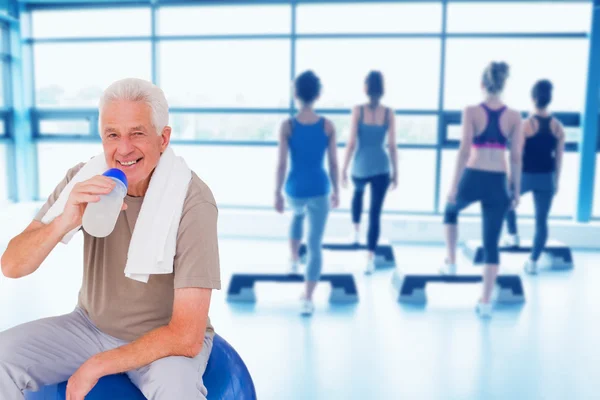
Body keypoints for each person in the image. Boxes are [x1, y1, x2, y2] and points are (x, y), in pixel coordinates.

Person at [0, 78, 221, 399]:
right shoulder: (85, 180)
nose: (124, 148)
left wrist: (97, 365)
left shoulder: (193, 200)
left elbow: (187, 335)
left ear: (164, 138)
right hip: (88, 327)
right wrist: (65, 220)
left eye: (138, 133)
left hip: (163, 340)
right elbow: (12, 266)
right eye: (112, 134)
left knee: (179, 391)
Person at [441, 61, 524, 318]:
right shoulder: (514, 116)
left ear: (482, 84)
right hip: (498, 181)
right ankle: (485, 302)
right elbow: (517, 157)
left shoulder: (471, 111)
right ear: (504, 84)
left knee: (450, 210)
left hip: (473, 176)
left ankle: (452, 261)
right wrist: (516, 191)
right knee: (491, 244)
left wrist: (454, 185)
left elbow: (465, 150)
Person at [274, 70, 340, 316]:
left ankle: (293, 258)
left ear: (296, 94)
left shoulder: (287, 126)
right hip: (320, 188)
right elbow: (334, 163)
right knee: (314, 243)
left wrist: (277, 193)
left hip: (295, 188)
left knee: (297, 216)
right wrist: (335, 190)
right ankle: (308, 297)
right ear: (318, 94)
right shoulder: (328, 126)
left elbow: (281, 163)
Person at [503, 79, 565, 274]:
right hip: (547, 178)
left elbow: (517, 156)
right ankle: (533, 262)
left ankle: (513, 234)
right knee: (542, 221)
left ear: (532, 99)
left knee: (505, 200)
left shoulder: (526, 125)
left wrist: (512, 181)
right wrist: (556, 181)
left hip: (526, 176)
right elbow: (559, 160)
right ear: (549, 99)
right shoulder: (558, 127)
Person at [341, 71, 398, 274]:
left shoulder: (358, 111)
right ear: (382, 89)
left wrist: (343, 169)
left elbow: (351, 143)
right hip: (381, 166)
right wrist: (396, 172)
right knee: (375, 214)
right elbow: (391, 146)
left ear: (366, 88)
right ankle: (370, 259)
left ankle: (356, 232)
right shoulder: (389, 113)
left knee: (357, 193)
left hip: (361, 164)